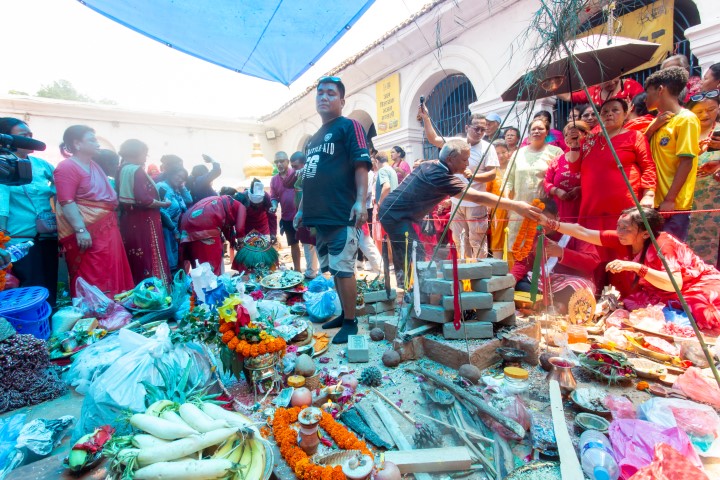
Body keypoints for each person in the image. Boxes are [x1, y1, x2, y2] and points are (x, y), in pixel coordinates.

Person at [379, 138, 542, 284]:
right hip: (395, 216)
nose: (467, 163)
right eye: (464, 159)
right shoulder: (440, 177)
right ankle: (412, 294)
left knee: (411, 252)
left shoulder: (431, 165)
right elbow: (477, 197)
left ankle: (410, 288)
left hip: (395, 211)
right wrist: (516, 206)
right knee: (414, 254)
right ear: (451, 159)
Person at [540, 207, 720, 335]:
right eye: (618, 226)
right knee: (628, 312)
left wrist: (636, 267)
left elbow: (675, 284)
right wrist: (550, 223)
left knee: (698, 317)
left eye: (626, 228)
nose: (619, 232)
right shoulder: (624, 238)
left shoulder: (663, 245)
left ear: (645, 233)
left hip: (696, 288)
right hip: (659, 291)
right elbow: (584, 232)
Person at [294, 76, 372, 344]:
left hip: (341, 213)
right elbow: (309, 177)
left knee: (345, 268)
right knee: (335, 269)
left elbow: (361, 165)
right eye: (320, 93)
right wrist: (301, 210)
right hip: (319, 217)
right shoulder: (313, 138)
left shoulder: (350, 126)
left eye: (330, 93)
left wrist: (360, 201)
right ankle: (343, 314)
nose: (324, 97)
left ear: (342, 100)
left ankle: (351, 322)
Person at [570, 99, 657, 294]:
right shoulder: (590, 139)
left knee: (622, 251)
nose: (609, 114)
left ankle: (626, 299)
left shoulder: (634, 136)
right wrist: (575, 145)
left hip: (622, 209)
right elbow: (575, 168)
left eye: (615, 110)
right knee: (591, 253)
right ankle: (590, 296)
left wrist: (649, 193)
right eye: (605, 111)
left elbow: (648, 166)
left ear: (626, 114)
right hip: (592, 209)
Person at [54, 125, 133, 297]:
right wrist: (80, 230)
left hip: (107, 228)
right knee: (93, 271)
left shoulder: (93, 166)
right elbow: (66, 202)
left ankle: (114, 306)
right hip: (87, 232)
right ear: (77, 144)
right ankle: (94, 310)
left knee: (110, 268)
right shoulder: (67, 167)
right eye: (92, 140)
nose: (97, 143)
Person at [420, 107, 499, 260]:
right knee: (460, 241)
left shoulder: (488, 148)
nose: (480, 132)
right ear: (467, 127)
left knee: (477, 241)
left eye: (483, 129)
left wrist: (474, 176)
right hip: (456, 201)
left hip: (476, 203)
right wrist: (426, 118)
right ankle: (464, 271)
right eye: (476, 128)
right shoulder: (457, 143)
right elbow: (433, 139)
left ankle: (479, 270)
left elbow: (492, 174)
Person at [0, 118, 58, 305]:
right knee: (30, 292)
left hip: (47, 238)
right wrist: (1, 240)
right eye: (23, 136)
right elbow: (2, 206)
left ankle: (48, 323)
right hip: (19, 242)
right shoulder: (4, 165)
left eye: (30, 135)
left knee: (50, 290)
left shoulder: (42, 165)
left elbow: (61, 189)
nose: (29, 139)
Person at [644, 67, 701, 240]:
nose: (645, 98)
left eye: (648, 92)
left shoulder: (686, 119)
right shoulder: (657, 121)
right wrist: (652, 129)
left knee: (668, 252)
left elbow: (686, 161)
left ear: (660, 90)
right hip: (653, 203)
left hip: (674, 206)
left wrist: (670, 199)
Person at [512, 200, 599, 311]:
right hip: (544, 282)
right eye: (538, 221)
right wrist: (512, 279)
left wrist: (561, 252)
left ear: (557, 216)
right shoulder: (536, 233)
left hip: (569, 282)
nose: (541, 224)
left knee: (576, 289)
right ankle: (554, 304)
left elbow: (592, 261)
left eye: (545, 220)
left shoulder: (574, 231)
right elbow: (524, 262)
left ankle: (546, 304)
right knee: (520, 284)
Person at [116, 139, 171, 285]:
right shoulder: (135, 170)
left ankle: (139, 290)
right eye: (144, 154)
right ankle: (154, 292)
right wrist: (163, 204)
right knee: (149, 255)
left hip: (130, 221)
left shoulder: (121, 169)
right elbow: (143, 200)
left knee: (136, 258)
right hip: (145, 221)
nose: (145, 158)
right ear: (136, 152)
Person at [504, 118, 563, 251]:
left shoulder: (556, 152)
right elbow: (508, 180)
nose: (536, 131)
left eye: (540, 129)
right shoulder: (518, 153)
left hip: (543, 211)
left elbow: (560, 178)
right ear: (529, 133)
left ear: (547, 132)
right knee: (517, 249)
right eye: (533, 129)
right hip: (519, 208)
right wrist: (508, 204)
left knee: (541, 250)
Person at [686, 92, 720, 267]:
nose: (705, 115)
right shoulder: (685, 131)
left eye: (711, 109)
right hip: (689, 198)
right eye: (699, 112)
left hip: (715, 197)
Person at [179, 195, 246, 275]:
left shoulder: (223, 201)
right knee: (210, 266)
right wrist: (241, 244)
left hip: (187, 223)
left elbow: (227, 228)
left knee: (198, 265)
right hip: (205, 225)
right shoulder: (241, 206)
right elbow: (240, 229)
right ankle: (214, 280)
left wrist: (233, 243)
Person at [543, 121, 586, 222]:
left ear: (585, 135)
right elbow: (546, 182)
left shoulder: (589, 157)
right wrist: (557, 191)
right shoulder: (557, 160)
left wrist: (581, 189)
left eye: (574, 135)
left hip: (584, 207)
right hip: (560, 209)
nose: (569, 138)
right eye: (566, 135)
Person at [271, 151, 302, 272]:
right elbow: (274, 197)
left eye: (281, 161)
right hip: (287, 217)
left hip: (302, 215)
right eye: (276, 162)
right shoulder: (274, 180)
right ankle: (298, 270)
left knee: (309, 244)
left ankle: (313, 271)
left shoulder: (296, 173)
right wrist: (274, 206)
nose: (279, 164)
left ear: (287, 162)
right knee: (293, 244)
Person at [156, 165, 191, 273]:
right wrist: (174, 231)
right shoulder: (162, 187)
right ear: (170, 173)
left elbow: (189, 200)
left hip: (175, 231)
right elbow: (162, 211)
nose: (180, 179)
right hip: (166, 230)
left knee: (176, 265)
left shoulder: (175, 190)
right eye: (178, 176)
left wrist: (182, 186)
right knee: (169, 265)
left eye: (183, 178)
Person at [290, 151, 319, 279]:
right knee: (307, 244)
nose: (294, 169)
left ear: (304, 164)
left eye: (296, 166)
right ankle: (311, 272)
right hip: (302, 215)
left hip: (314, 214)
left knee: (318, 244)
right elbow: (286, 183)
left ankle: (324, 274)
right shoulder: (297, 175)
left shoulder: (314, 174)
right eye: (292, 167)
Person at [486, 140, 511, 258]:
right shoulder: (492, 171)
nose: (501, 155)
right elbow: (487, 190)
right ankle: (498, 263)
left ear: (509, 152)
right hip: (498, 208)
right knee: (497, 236)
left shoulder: (514, 167)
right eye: (497, 153)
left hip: (514, 207)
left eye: (503, 152)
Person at [561, 77, 644, 107]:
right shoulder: (593, 91)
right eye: (606, 80)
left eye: (614, 77)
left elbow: (643, 107)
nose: (612, 82)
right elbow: (568, 96)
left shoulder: (631, 85)